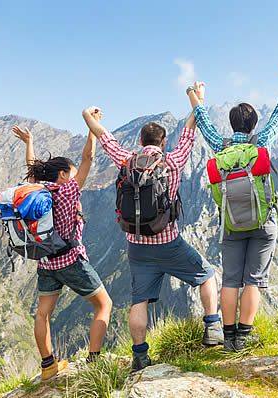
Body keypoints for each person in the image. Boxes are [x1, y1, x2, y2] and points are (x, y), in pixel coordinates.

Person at [81, 104, 223, 371]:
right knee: (206, 275)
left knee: (139, 301)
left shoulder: (126, 159)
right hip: (169, 243)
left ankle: (140, 356)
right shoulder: (172, 160)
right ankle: (213, 327)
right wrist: (197, 101)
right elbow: (189, 134)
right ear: (163, 141)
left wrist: (89, 116)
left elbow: (104, 136)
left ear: (140, 141)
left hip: (136, 247)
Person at [187, 81, 278, 351]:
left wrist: (196, 97)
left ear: (232, 125)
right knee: (253, 280)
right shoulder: (261, 142)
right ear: (254, 125)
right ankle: (244, 337)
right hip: (263, 223)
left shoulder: (220, 146)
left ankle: (228, 337)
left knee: (231, 279)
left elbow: (204, 122)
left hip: (231, 223)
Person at [11, 118, 113, 380]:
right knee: (104, 304)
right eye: (72, 170)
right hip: (71, 260)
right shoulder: (68, 191)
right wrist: (93, 128)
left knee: (43, 314)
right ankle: (94, 362)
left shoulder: (36, 190)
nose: (75, 171)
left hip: (45, 262)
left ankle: (48, 367)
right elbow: (88, 158)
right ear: (63, 175)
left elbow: (32, 170)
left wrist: (30, 142)